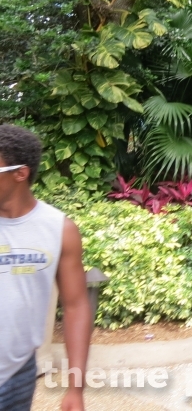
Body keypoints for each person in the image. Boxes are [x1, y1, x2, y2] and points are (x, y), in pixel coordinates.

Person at [0, 124, 91, 411]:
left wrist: (75, 388)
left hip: (16, 376)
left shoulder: (59, 229)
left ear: (20, 173)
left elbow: (76, 306)